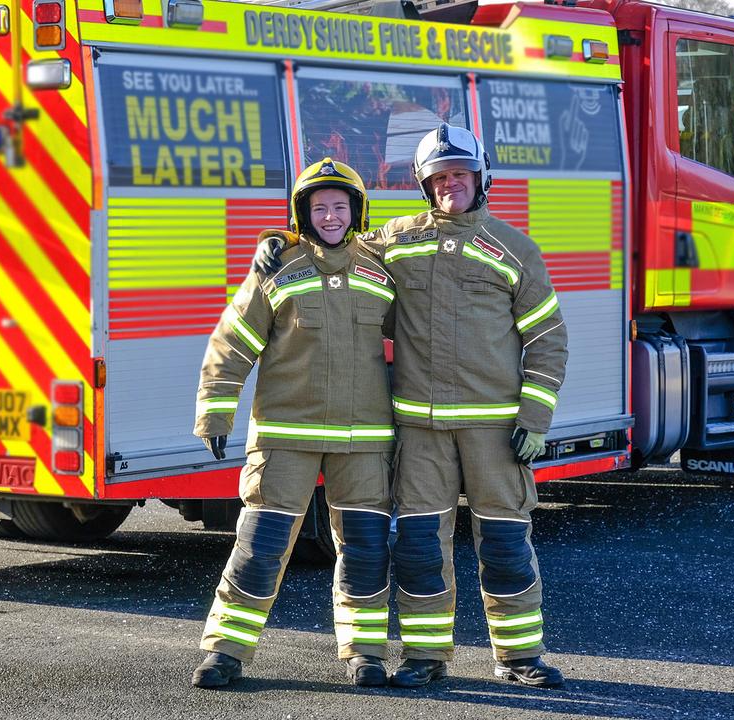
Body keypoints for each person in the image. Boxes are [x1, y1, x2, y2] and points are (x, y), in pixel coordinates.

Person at [256, 124, 569, 688]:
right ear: (426, 186)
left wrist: (534, 419)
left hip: (495, 430)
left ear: (480, 178)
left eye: (460, 175)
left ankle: (519, 656)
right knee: (423, 547)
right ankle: (427, 658)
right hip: (420, 431)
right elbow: (334, 238)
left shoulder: (515, 250)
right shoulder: (397, 239)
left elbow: (547, 336)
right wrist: (283, 240)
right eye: (439, 177)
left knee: (503, 543)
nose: (451, 185)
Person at [191, 158, 397, 689]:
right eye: (319, 207)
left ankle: (365, 653)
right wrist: (216, 410)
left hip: (363, 441)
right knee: (260, 547)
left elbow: (426, 328)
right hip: (286, 436)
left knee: (366, 551)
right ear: (302, 214)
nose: (330, 215)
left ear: (357, 211)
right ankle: (225, 653)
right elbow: (232, 342)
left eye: (340, 205)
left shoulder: (380, 270)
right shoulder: (276, 269)